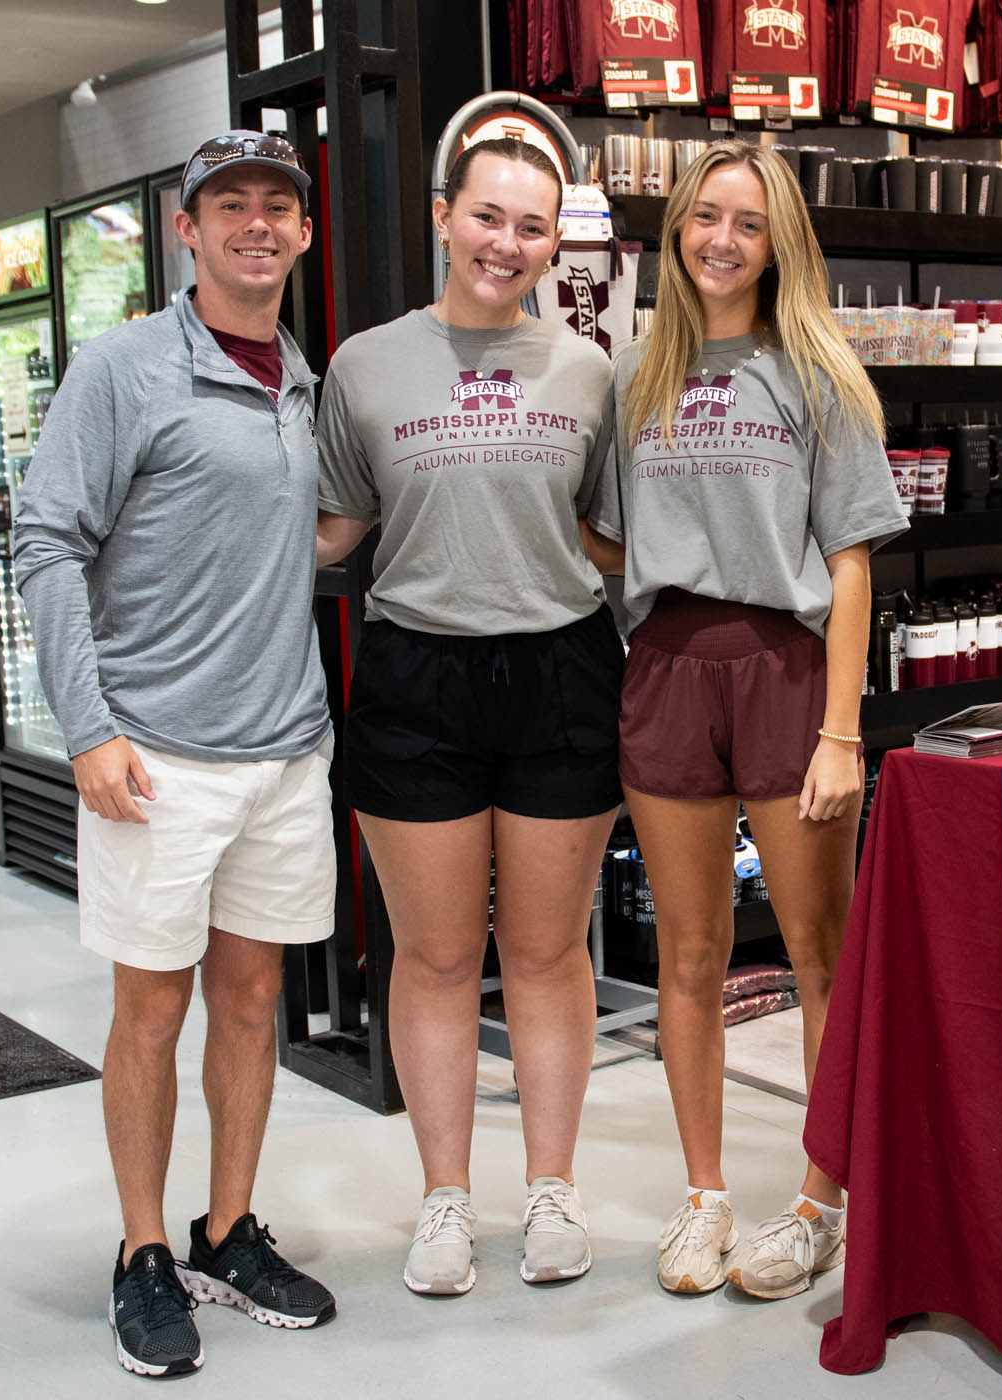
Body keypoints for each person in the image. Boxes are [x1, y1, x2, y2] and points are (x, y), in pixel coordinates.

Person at [14, 130, 338, 1380]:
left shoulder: (295, 377)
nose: (256, 223)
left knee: (253, 1000)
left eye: (277, 206)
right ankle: (144, 1251)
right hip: (157, 759)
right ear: (186, 231)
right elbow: (44, 544)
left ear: (304, 233)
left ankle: (225, 1229)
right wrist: (89, 726)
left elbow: (287, 536)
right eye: (228, 205)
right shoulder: (125, 367)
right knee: (151, 1009)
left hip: (283, 751)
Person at [587, 138, 906, 1300]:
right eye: (704, 216)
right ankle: (703, 1195)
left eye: (748, 222)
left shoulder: (818, 373)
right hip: (666, 661)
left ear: (780, 245)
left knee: (819, 953)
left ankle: (820, 1201)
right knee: (689, 954)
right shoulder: (635, 375)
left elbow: (852, 560)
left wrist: (840, 728)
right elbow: (609, 538)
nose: (722, 239)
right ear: (675, 230)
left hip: (785, 665)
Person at [314, 138, 624, 1296]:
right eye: (486, 218)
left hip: (560, 669)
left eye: (531, 227)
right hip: (415, 678)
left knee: (545, 951)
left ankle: (551, 1186)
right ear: (443, 218)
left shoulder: (589, 369)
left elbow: (608, 537)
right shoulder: (363, 365)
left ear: (556, 242)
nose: (506, 244)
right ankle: (444, 1197)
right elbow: (333, 530)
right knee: (438, 955)